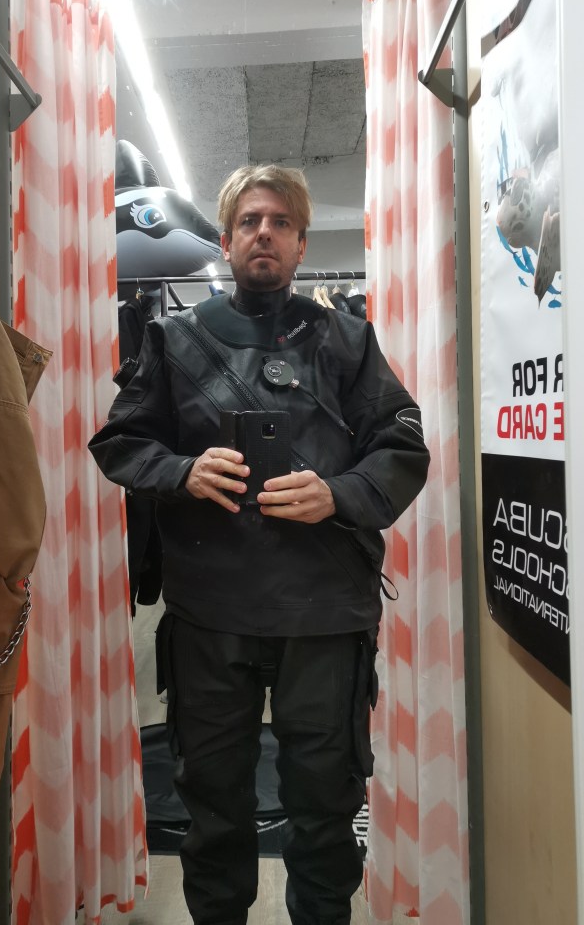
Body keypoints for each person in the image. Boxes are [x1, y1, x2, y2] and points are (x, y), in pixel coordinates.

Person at [89, 165, 430, 925]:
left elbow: (403, 448)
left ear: (302, 243)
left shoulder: (347, 341)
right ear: (226, 239)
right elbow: (120, 441)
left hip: (325, 616)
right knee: (213, 811)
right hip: (210, 615)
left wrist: (337, 494)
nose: (264, 233)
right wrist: (183, 472)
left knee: (325, 810)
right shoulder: (174, 339)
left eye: (279, 221)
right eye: (249, 221)